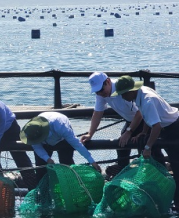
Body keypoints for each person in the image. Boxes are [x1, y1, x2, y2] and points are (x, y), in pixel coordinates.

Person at [111, 75, 179, 210]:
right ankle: (168, 194)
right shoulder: (141, 92)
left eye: (123, 94)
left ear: (130, 91)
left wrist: (148, 147)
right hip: (167, 126)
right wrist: (143, 132)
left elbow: (157, 126)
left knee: (177, 165)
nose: (122, 97)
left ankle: (177, 203)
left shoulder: (147, 100)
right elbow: (147, 116)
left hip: (174, 128)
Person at [81, 72, 164, 178]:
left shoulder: (123, 89)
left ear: (107, 82)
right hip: (130, 121)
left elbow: (140, 112)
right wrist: (90, 134)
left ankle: (161, 175)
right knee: (121, 146)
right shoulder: (101, 94)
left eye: (101, 90)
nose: (100, 93)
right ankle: (124, 175)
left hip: (144, 120)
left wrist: (129, 131)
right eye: (96, 92)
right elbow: (97, 113)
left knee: (150, 150)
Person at [20, 112, 102, 184]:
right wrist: (47, 159)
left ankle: (72, 187)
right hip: (45, 143)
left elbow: (77, 144)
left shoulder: (61, 126)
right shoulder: (30, 132)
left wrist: (91, 161)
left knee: (66, 163)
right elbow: (37, 147)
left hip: (63, 139)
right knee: (41, 168)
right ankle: (42, 194)